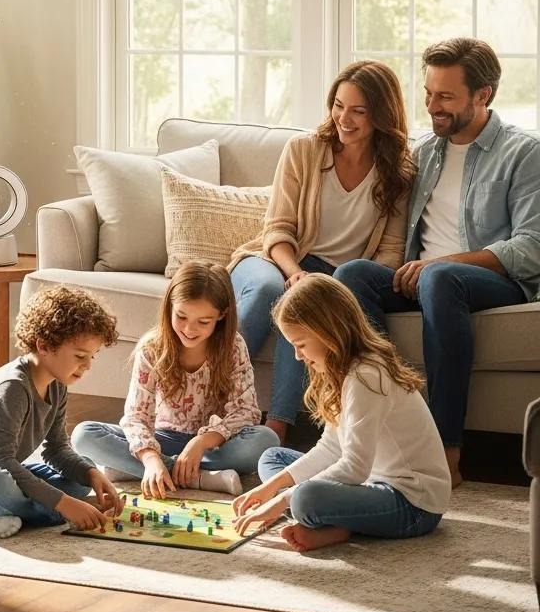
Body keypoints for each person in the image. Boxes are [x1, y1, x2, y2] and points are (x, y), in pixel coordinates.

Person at [335, 38, 540, 487]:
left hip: (490, 280)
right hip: (420, 278)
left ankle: (445, 451)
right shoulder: (424, 152)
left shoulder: (524, 153)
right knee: (351, 276)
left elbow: (531, 246)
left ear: (483, 95)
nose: (432, 106)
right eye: (428, 93)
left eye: (445, 97)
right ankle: (389, 430)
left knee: (442, 277)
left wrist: (439, 264)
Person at [229, 60, 415, 442]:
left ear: (381, 114)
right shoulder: (304, 150)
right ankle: (217, 400)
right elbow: (277, 228)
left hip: (338, 275)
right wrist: (294, 271)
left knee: (307, 304)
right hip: (273, 259)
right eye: (338, 105)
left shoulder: (399, 170)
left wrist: (343, 289)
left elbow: (391, 252)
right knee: (273, 291)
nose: (345, 118)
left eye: (358, 111)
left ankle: (276, 428)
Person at [233, 274, 450, 552]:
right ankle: (337, 521)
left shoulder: (367, 376)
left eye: (300, 344)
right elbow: (331, 448)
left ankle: (337, 522)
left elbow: (355, 467)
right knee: (274, 458)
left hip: (413, 504)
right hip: (370, 483)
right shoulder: (343, 371)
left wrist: (282, 499)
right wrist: (270, 489)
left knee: (304, 498)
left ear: (327, 331)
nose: (298, 356)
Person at [0, 285, 124, 539]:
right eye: (81, 355)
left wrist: (91, 474)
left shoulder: (57, 383)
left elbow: (57, 449)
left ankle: (3, 509)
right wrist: (65, 505)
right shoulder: (12, 388)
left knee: (79, 480)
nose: (88, 365)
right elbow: (0, 462)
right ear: (44, 345)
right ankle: (38, 512)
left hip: (2, 474)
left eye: (92, 356)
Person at [71, 262, 278, 499]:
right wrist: (149, 457)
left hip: (214, 445)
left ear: (221, 316)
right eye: (181, 316)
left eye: (203, 322)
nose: (189, 329)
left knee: (265, 439)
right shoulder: (152, 348)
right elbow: (136, 416)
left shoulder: (233, 346)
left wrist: (201, 442)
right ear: (170, 307)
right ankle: (198, 478)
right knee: (84, 435)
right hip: (163, 438)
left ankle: (133, 468)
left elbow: (246, 411)